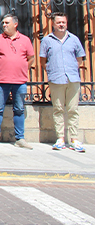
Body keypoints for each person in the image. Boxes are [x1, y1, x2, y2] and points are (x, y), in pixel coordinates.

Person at [0, 13, 35, 149]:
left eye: (7, 23)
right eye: (3, 23)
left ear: (15, 24)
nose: (4, 25)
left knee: (19, 109)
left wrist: (23, 67)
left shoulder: (25, 40)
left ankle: (20, 138)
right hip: (2, 81)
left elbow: (31, 58)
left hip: (20, 81)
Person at [39, 11, 86, 152]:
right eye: (58, 22)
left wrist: (71, 69)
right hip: (56, 79)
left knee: (72, 110)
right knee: (58, 109)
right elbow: (43, 60)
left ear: (66, 23)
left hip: (72, 78)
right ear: (53, 24)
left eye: (63, 22)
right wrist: (53, 70)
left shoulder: (74, 39)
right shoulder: (47, 40)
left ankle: (74, 139)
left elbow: (79, 58)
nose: (61, 25)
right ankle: (60, 138)